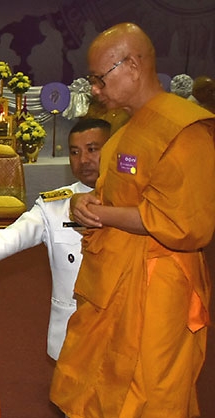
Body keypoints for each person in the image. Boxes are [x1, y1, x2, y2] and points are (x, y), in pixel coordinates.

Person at [50, 23, 215, 417]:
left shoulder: (184, 130)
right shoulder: (128, 127)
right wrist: (85, 204)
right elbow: (117, 193)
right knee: (98, 373)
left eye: (99, 78)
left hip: (160, 279)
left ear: (134, 65)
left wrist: (103, 212)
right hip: (113, 271)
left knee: (150, 386)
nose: (94, 89)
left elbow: (186, 222)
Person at [0, 118, 110, 361]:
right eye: (75, 152)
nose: (83, 160)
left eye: (93, 149)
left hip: (124, 330)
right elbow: (6, 240)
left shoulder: (136, 205)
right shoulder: (55, 206)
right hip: (73, 334)